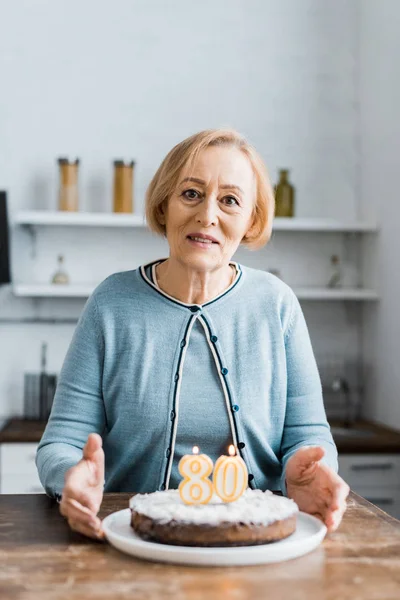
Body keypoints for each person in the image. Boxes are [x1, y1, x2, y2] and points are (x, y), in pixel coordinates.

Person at [36, 129, 349, 540]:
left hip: (257, 540)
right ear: (164, 204)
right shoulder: (110, 303)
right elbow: (61, 442)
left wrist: (306, 471)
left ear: (250, 220)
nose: (207, 216)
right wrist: (70, 476)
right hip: (130, 537)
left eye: (230, 200)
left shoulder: (278, 304)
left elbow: (309, 434)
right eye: (191, 193)